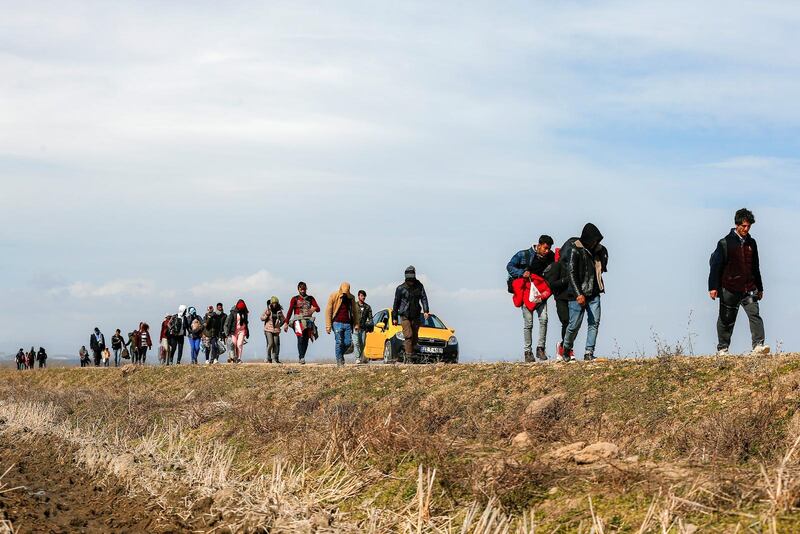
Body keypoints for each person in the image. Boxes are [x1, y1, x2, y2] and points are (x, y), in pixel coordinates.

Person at [708, 208, 769, 356]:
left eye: (749, 226)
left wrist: (760, 288)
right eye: (744, 226)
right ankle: (722, 348)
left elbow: (755, 267)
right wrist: (713, 287)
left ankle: (758, 346)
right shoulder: (725, 243)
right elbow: (716, 266)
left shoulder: (752, 243)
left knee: (754, 315)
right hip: (729, 288)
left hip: (748, 288)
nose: (746, 229)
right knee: (726, 319)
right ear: (737, 224)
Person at [559, 223, 608, 362]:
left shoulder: (599, 250)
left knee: (594, 322)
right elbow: (571, 273)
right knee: (574, 325)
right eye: (594, 240)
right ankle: (566, 349)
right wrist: (578, 293)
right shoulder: (575, 250)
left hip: (594, 293)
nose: (596, 242)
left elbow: (603, 265)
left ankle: (589, 352)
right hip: (578, 294)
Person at [507, 235, 556, 362]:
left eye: (549, 249)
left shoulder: (550, 257)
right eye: (545, 248)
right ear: (539, 245)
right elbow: (510, 266)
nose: (547, 251)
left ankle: (540, 349)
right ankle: (527, 352)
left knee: (544, 320)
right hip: (526, 293)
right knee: (528, 324)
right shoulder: (523, 255)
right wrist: (521, 273)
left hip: (541, 293)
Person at [392, 266, 430, 357]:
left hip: (416, 314)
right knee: (408, 335)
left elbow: (424, 298)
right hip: (404, 315)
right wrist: (394, 317)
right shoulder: (400, 288)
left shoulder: (419, 286)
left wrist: (426, 310)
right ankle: (409, 356)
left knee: (415, 337)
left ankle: (411, 352)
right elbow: (396, 303)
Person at [325, 283, 361, 367]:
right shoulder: (333, 295)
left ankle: (340, 354)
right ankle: (339, 361)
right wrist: (328, 326)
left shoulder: (351, 297)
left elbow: (355, 312)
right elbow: (328, 311)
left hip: (347, 323)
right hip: (336, 323)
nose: (345, 294)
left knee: (348, 343)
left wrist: (356, 324)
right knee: (339, 342)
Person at [284, 282, 320, 364]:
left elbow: (318, 309)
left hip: (308, 321)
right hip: (297, 321)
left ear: (306, 289)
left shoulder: (310, 298)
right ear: (298, 289)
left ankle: (302, 356)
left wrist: (313, 309)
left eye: (304, 289)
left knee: (306, 339)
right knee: (300, 338)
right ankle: (301, 357)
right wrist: (286, 323)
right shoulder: (295, 299)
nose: (303, 291)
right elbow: (290, 311)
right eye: (301, 289)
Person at [260, 297, 285, 363]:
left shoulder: (279, 311)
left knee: (276, 344)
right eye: (273, 303)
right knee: (270, 343)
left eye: (275, 303)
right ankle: (268, 357)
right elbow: (262, 318)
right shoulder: (268, 310)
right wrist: (266, 315)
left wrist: (279, 325)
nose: (274, 304)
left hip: (276, 330)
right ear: (271, 303)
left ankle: (274, 358)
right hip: (268, 329)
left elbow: (283, 320)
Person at [353, 290, 373, 364]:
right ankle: (357, 358)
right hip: (355, 327)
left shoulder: (368, 307)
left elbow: (370, 318)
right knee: (356, 343)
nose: (363, 297)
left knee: (362, 343)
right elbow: (351, 315)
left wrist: (369, 324)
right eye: (361, 295)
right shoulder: (354, 305)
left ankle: (361, 357)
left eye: (364, 296)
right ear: (358, 296)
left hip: (363, 328)